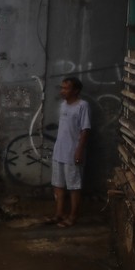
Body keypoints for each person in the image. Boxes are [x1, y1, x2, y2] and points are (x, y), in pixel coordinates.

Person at [50, 77, 91, 228]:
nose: (62, 91)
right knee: (58, 185)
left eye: (66, 88)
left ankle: (73, 216)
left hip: (73, 153)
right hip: (59, 151)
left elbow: (85, 130)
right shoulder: (63, 106)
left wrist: (79, 151)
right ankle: (59, 214)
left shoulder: (82, 106)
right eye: (62, 88)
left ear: (76, 91)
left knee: (74, 186)